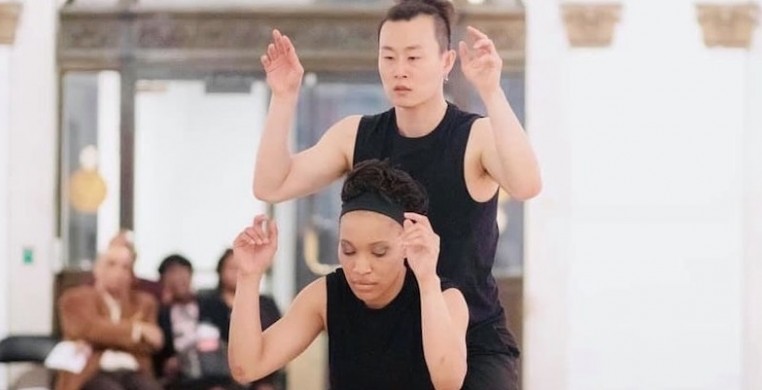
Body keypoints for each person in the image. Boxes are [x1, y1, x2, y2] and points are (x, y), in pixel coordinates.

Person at [252, 0, 541, 388]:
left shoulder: (475, 137)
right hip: (384, 335)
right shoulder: (356, 134)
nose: (399, 70)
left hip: (469, 339)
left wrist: (491, 91)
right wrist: (284, 98)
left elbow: (526, 185)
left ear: (446, 61)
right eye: (388, 57)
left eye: (413, 57)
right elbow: (272, 184)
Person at [230, 160, 469, 390]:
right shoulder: (325, 295)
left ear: (407, 245)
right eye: (348, 250)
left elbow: (448, 381)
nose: (360, 267)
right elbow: (247, 368)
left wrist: (427, 280)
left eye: (379, 252)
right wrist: (248, 276)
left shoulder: (445, 298)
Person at [56, 244, 164, 390]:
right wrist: (137, 330)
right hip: (92, 372)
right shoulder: (75, 298)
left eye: (125, 267)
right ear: (97, 269)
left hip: (134, 371)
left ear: (131, 275)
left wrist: (100, 339)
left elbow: (152, 343)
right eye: (111, 264)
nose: (118, 272)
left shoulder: (145, 303)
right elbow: (88, 328)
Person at [197, 249, 283, 390]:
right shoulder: (209, 303)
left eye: (240, 267)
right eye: (231, 268)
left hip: (262, 372)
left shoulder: (266, 303)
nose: (237, 272)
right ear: (220, 271)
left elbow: (277, 340)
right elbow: (207, 343)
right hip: (220, 372)